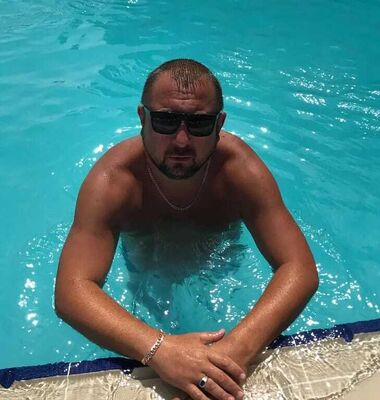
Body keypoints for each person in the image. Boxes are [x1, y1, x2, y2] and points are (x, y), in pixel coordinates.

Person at [55, 58, 318, 400]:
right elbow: (72, 291)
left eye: (199, 124)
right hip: (147, 271)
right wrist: (160, 350)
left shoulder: (239, 172)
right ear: (142, 118)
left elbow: (299, 268)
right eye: (165, 121)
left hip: (219, 265)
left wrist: (233, 353)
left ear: (219, 124)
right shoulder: (113, 182)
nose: (181, 140)